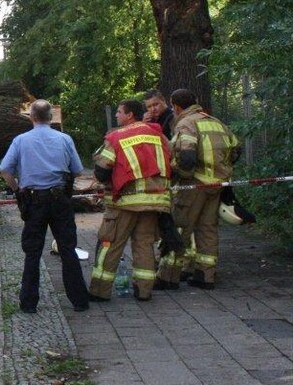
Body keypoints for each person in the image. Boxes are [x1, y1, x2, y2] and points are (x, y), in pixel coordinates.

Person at [0, 99, 89, 313]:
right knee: (68, 249)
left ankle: (29, 303)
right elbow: (77, 171)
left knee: (33, 252)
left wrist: (17, 189)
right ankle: (79, 301)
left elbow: (5, 170)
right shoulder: (64, 139)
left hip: (33, 201)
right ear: (51, 118)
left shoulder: (20, 141)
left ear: (31, 117)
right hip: (60, 200)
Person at [88, 99, 172, 302]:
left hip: (124, 201)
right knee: (144, 244)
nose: (116, 116)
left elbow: (102, 169)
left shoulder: (116, 136)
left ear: (129, 115)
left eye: (119, 112)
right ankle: (144, 291)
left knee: (111, 243)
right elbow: (173, 160)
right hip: (154, 200)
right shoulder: (157, 134)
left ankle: (100, 290)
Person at [155, 89, 239, 290]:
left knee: (180, 227)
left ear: (175, 106)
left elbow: (187, 158)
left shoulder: (186, 124)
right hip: (217, 185)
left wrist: (179, 175)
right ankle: (205, 275)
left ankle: (168, 277)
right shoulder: (216, 122)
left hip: (194, 184)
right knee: (208, 228)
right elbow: (236, 149)